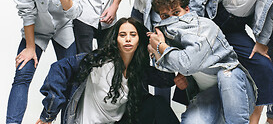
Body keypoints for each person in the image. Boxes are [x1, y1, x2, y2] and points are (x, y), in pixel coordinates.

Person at [6, 0, 83, 124]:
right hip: (37, 30)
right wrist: (30, 47)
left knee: (71, 81)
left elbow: (74, 13)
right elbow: (26, 10)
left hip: (63, 28)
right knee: (22, 76)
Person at [35, 17, 179, 124]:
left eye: (133, 35)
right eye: (122, 35)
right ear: (115, 39)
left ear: (139, 40)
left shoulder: (138, 69)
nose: (128, 39)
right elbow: (59, 67)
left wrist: (159, 48)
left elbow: (166, 80)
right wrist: (49, 114)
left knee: (157, 103)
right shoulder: (98, 60)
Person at [147, 0, 257, 124]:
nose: (172, 20)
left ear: (187, 10)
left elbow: (187, 65)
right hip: (208, 95)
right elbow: (166, 67)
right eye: (165, 16)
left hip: (238, 93)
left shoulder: (204, 26)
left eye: (176, 12)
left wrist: (161, 47)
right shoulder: (169, 34)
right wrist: (156, 50)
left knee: (226, 75)